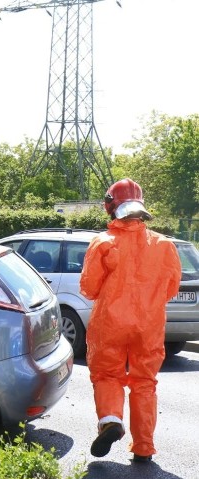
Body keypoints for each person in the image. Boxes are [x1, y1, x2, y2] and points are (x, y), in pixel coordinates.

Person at [80, 178, 181, 463]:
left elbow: (89, 288)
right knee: (144, 382)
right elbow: (171, 288)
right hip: (148, 325)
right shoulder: (164, 244)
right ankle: (144, 447)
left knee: (106, 374)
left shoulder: (103, 242)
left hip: (110, 322)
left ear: (111, 207)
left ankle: (111, 420)